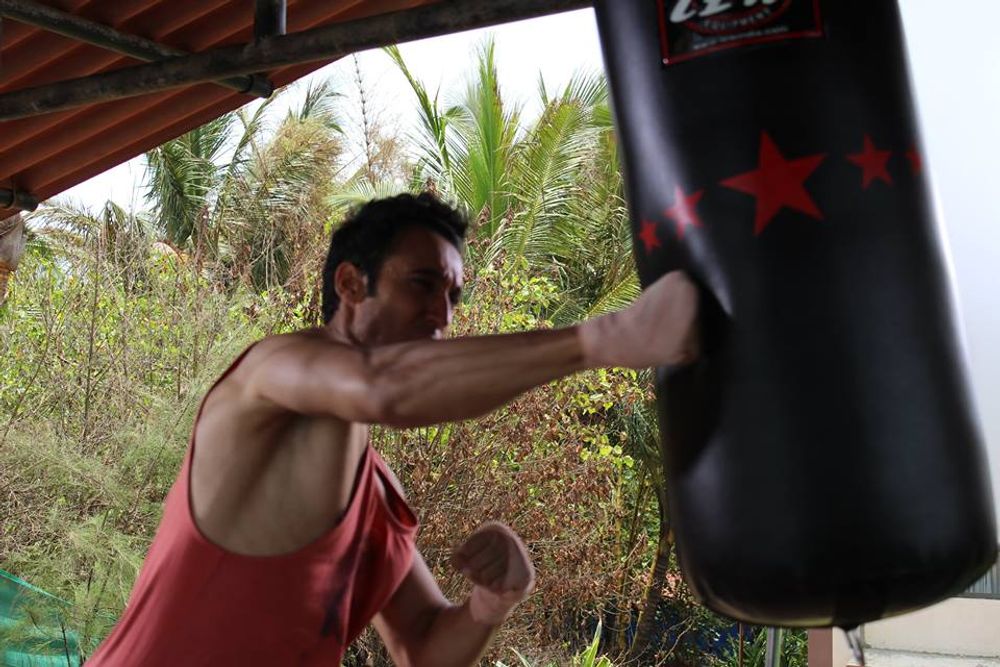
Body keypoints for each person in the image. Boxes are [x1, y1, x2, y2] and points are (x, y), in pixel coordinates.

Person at [87, 193, 699, 666]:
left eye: (454, 296)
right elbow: (385, 388)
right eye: (422, 284)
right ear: (350, 284)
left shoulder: (377, 494)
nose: (442, 313)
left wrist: (492, 602)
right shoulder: (270, 371)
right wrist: (605, 341)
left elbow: (424, 647)